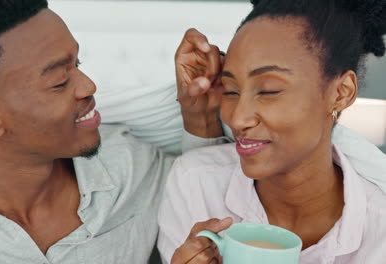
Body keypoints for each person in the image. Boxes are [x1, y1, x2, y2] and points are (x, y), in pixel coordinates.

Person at [0, 1, 226, 263]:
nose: (89, 85)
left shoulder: (134, 170)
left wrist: (199, 113)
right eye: (59, 82)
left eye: (78, 63)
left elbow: (202, 190)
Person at [158, 0, 386, 263]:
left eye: (268, 90)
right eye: (231, 90)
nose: (238, 118)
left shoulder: (378, 232)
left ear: (341, 92)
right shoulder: (196, 185)